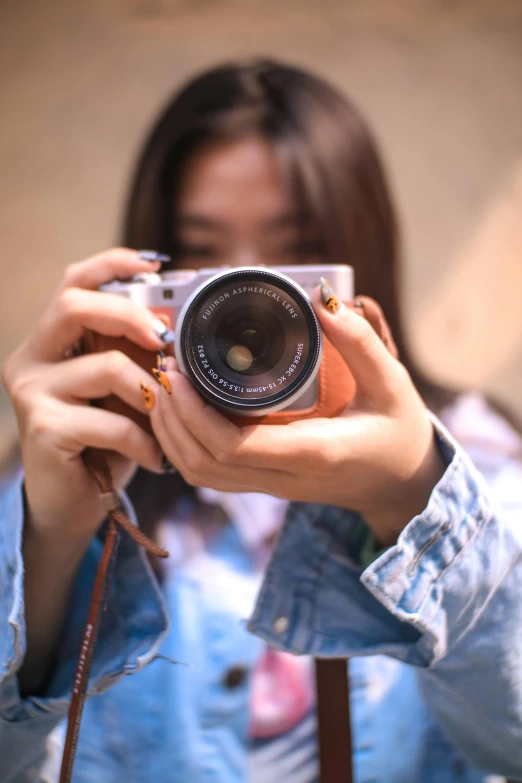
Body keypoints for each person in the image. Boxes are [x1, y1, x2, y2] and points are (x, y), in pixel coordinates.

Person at [1, 58, 522, 783]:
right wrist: (51, 539)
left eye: (297, 253)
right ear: (144, 289)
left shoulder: (488, 478)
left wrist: (411, 498)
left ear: (360, 259)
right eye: (201, 260)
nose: (242, 293)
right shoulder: (77, 475)